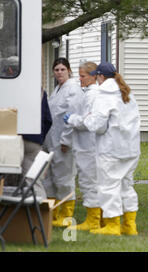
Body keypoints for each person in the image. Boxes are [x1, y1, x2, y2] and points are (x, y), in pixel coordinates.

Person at [65, 62, 141, 236]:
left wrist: (75, 120)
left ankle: (113, 225)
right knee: (126, 186)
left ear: (100, 76)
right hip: (131, 148)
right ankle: (130, 225)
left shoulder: (103, 94)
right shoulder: (127, 92)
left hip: (111, 149)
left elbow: (96, 125)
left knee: (108, 186)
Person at [43, 58, 84, 227]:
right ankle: (53, 215)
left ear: (69, 71)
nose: (59, 72)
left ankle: (66, 217)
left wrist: (66, 140)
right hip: (51, 141)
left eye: (62, 69)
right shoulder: (57, 90)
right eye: (56, 69)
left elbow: (71, 116)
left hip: (63, 143)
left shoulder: (73, 89)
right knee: (50, 180)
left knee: (65, 179)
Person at [63, 62, 101, 231]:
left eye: (83, 76)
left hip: (89, 146)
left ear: (93, 76)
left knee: (89, 182)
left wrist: (72, 119)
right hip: (87, 145)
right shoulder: (90, 93)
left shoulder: (93, 95)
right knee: (90, 181)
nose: (80, 79)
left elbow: (87, 121)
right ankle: (97, 217)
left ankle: (93, 219)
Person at [4, 88, 52, 198]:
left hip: (10, 139)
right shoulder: (40, 92)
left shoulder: (7, 90)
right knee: (33, 180)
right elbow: (48, 120)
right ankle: (41, 211)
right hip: (33, 140)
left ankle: (8, 212)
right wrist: (39, 138)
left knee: (6, 178)